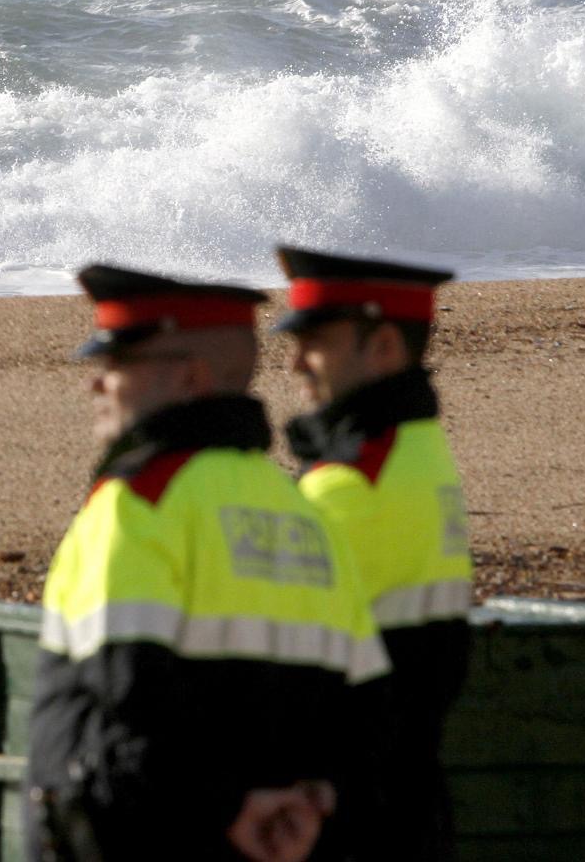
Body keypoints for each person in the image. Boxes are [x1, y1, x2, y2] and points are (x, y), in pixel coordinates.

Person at [25, 263, 390, 862]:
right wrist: (307, 806)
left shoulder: (139, 506)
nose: (97, 385)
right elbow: (368, 722)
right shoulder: (306, 517)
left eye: (116, 366)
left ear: (189, 378)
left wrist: (224, 808)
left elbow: (128, 704)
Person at [274, 246, 473, 861]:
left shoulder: (353, 482)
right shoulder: (419, 450)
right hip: (403, 791)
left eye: (318, 343)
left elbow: (286, 668)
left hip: (345, 814)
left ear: (384, 346)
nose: (296, 363)